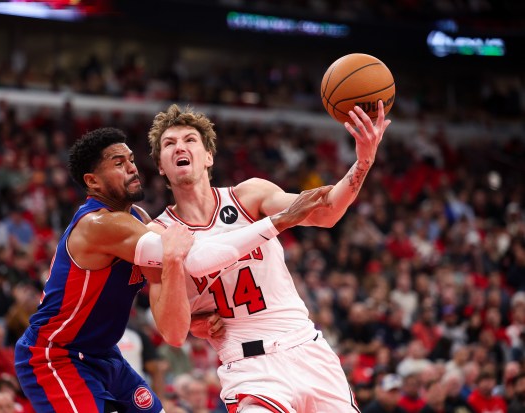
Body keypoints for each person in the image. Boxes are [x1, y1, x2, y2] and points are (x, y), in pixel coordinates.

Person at [14, 127, 333, 413]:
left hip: (102, 353)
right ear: (92, 181)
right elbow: (195, 259)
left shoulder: (137, 217)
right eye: (118, 163)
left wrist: (196, 319)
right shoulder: (99, 224)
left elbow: (172, 279)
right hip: (56, 356)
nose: (131, 168)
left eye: (131, 160)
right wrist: (279, 221)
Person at [147, 102, 391, 412]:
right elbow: (171, 332)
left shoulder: (249, 195)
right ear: (160, 165)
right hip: (250, 367)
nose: (179, 147)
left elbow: (325, 214)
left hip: (306, 348)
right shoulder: (157, 234)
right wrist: (191, 314)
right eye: (169, 143)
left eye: (189, 140)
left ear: (208, 156)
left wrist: (364, 160)